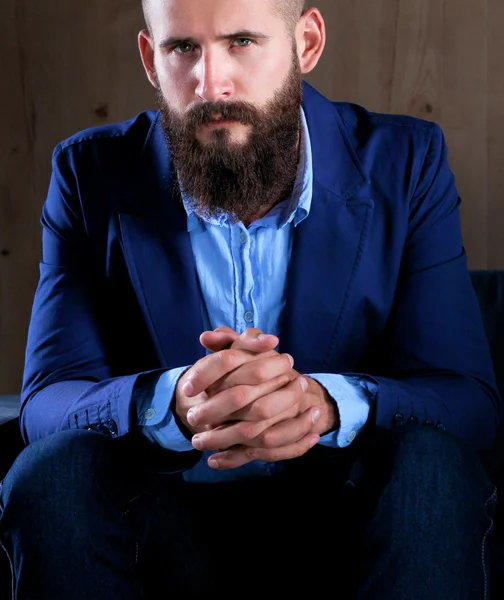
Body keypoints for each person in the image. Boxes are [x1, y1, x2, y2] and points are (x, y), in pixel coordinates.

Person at [0, 0, 501, 597]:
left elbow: (468, 402)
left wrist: (326, 406)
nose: (212, 84)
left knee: (435, 468)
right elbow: (46, 403)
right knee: (49, 474)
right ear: (150, 59)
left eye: (241, 41)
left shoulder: (406, 163)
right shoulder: (88, 173)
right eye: (182, 48)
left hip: (347, 522)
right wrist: (170, 402)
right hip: (160, 527)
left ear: (306, 43)